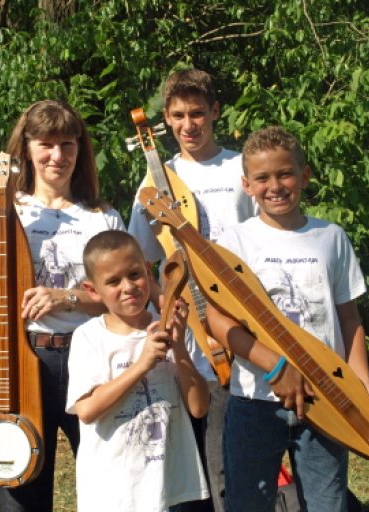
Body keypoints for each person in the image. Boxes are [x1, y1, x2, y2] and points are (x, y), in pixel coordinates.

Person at [0, 99, 126, 511]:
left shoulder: (101, 218)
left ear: (79, 149)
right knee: (20, 490)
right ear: (27, 149)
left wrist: (65, 296)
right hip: (17, 361)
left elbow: (126, 303)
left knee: (115, 488)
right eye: (46, 144)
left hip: (93, 360)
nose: (58, 156)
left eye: (67, 144)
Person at [206, 125, 369, 512]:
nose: (275, 186)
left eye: (285, 173)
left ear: (305, 175)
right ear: (246, 185)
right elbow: (218, 323)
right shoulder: (235, 243)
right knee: (246, 503)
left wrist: (362, 382)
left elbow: (349, 319)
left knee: (328, 503)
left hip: (325, 397)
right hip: (254, 400)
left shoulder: (331, 237)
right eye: (262, 178)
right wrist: (275, 365)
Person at [128, 68, 256, 512]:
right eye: (179, 115)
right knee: (195, 454)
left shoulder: (243, 167)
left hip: (247, 323)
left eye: (198, 113)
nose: (189, 125)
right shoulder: (154, 183)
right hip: (192, 338)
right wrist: (181, 318)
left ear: (215, 112)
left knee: (242, 444)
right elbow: (143, 264)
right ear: (166, 117)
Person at [66, 230, 210, 511]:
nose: (128, 287)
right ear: (92, 290)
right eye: (113, 281)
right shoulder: (89, 337)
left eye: (134, 274)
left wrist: (178, 348)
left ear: (148, 270)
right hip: (113, 492)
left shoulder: (175, 329)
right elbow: (86, 410)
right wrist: (142, 364)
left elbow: (199, 407)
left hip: (171, 487)